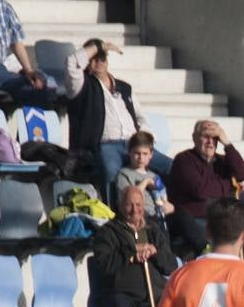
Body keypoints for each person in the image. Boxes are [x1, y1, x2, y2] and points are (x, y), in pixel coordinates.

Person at [63, 38, 172, 197]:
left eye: (102, 58)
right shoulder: (81, 85)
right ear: (86, 61)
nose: (99, 62)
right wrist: (99, 46)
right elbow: (71, 62)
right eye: (93, 59)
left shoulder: (124, 87)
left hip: (134, 142)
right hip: (106, 145)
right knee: (111, 172)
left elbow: (141, 117)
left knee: (172, 167)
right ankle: (115, 218)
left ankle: (169, 211)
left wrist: (146, 138)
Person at [92, 185, 179, 307]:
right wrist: (131, 253)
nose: (135, 210)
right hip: (124, 292)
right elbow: (104, 265)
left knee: (174, 306)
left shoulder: (154, 230)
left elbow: (170, 266)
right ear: (120, 205)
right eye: (130, 205)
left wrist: (155, 252)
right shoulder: (107, 233)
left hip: (154, 293)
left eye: (139, 205)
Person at [166, 120, 244, 260]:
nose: (210, 142)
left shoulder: (223, 161)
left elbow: (242, 174)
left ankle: (238, 274)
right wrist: (229, 184)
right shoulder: (183, 160)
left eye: (215, 138)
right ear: (194, 138)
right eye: (206, 136)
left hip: (226, 220)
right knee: (214, 243)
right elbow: (201, 190)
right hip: (196, 220)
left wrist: (227, 143)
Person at [0, 0, 58, 106]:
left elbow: (16, 43)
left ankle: (31, 125)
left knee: (37, 84)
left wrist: (28, 70)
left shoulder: (4, 8)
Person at [114, 131, 175, 225]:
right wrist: (145, 183)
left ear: (151, 155)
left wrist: (169, 206)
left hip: (160, 216)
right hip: (142, 218)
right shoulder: (124, 174)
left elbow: (163, 196)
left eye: (145, 154)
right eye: (137, 153)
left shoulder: (154, 176)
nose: (140, 157)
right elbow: (128, 199)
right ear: (129, 152)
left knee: (182, 214)